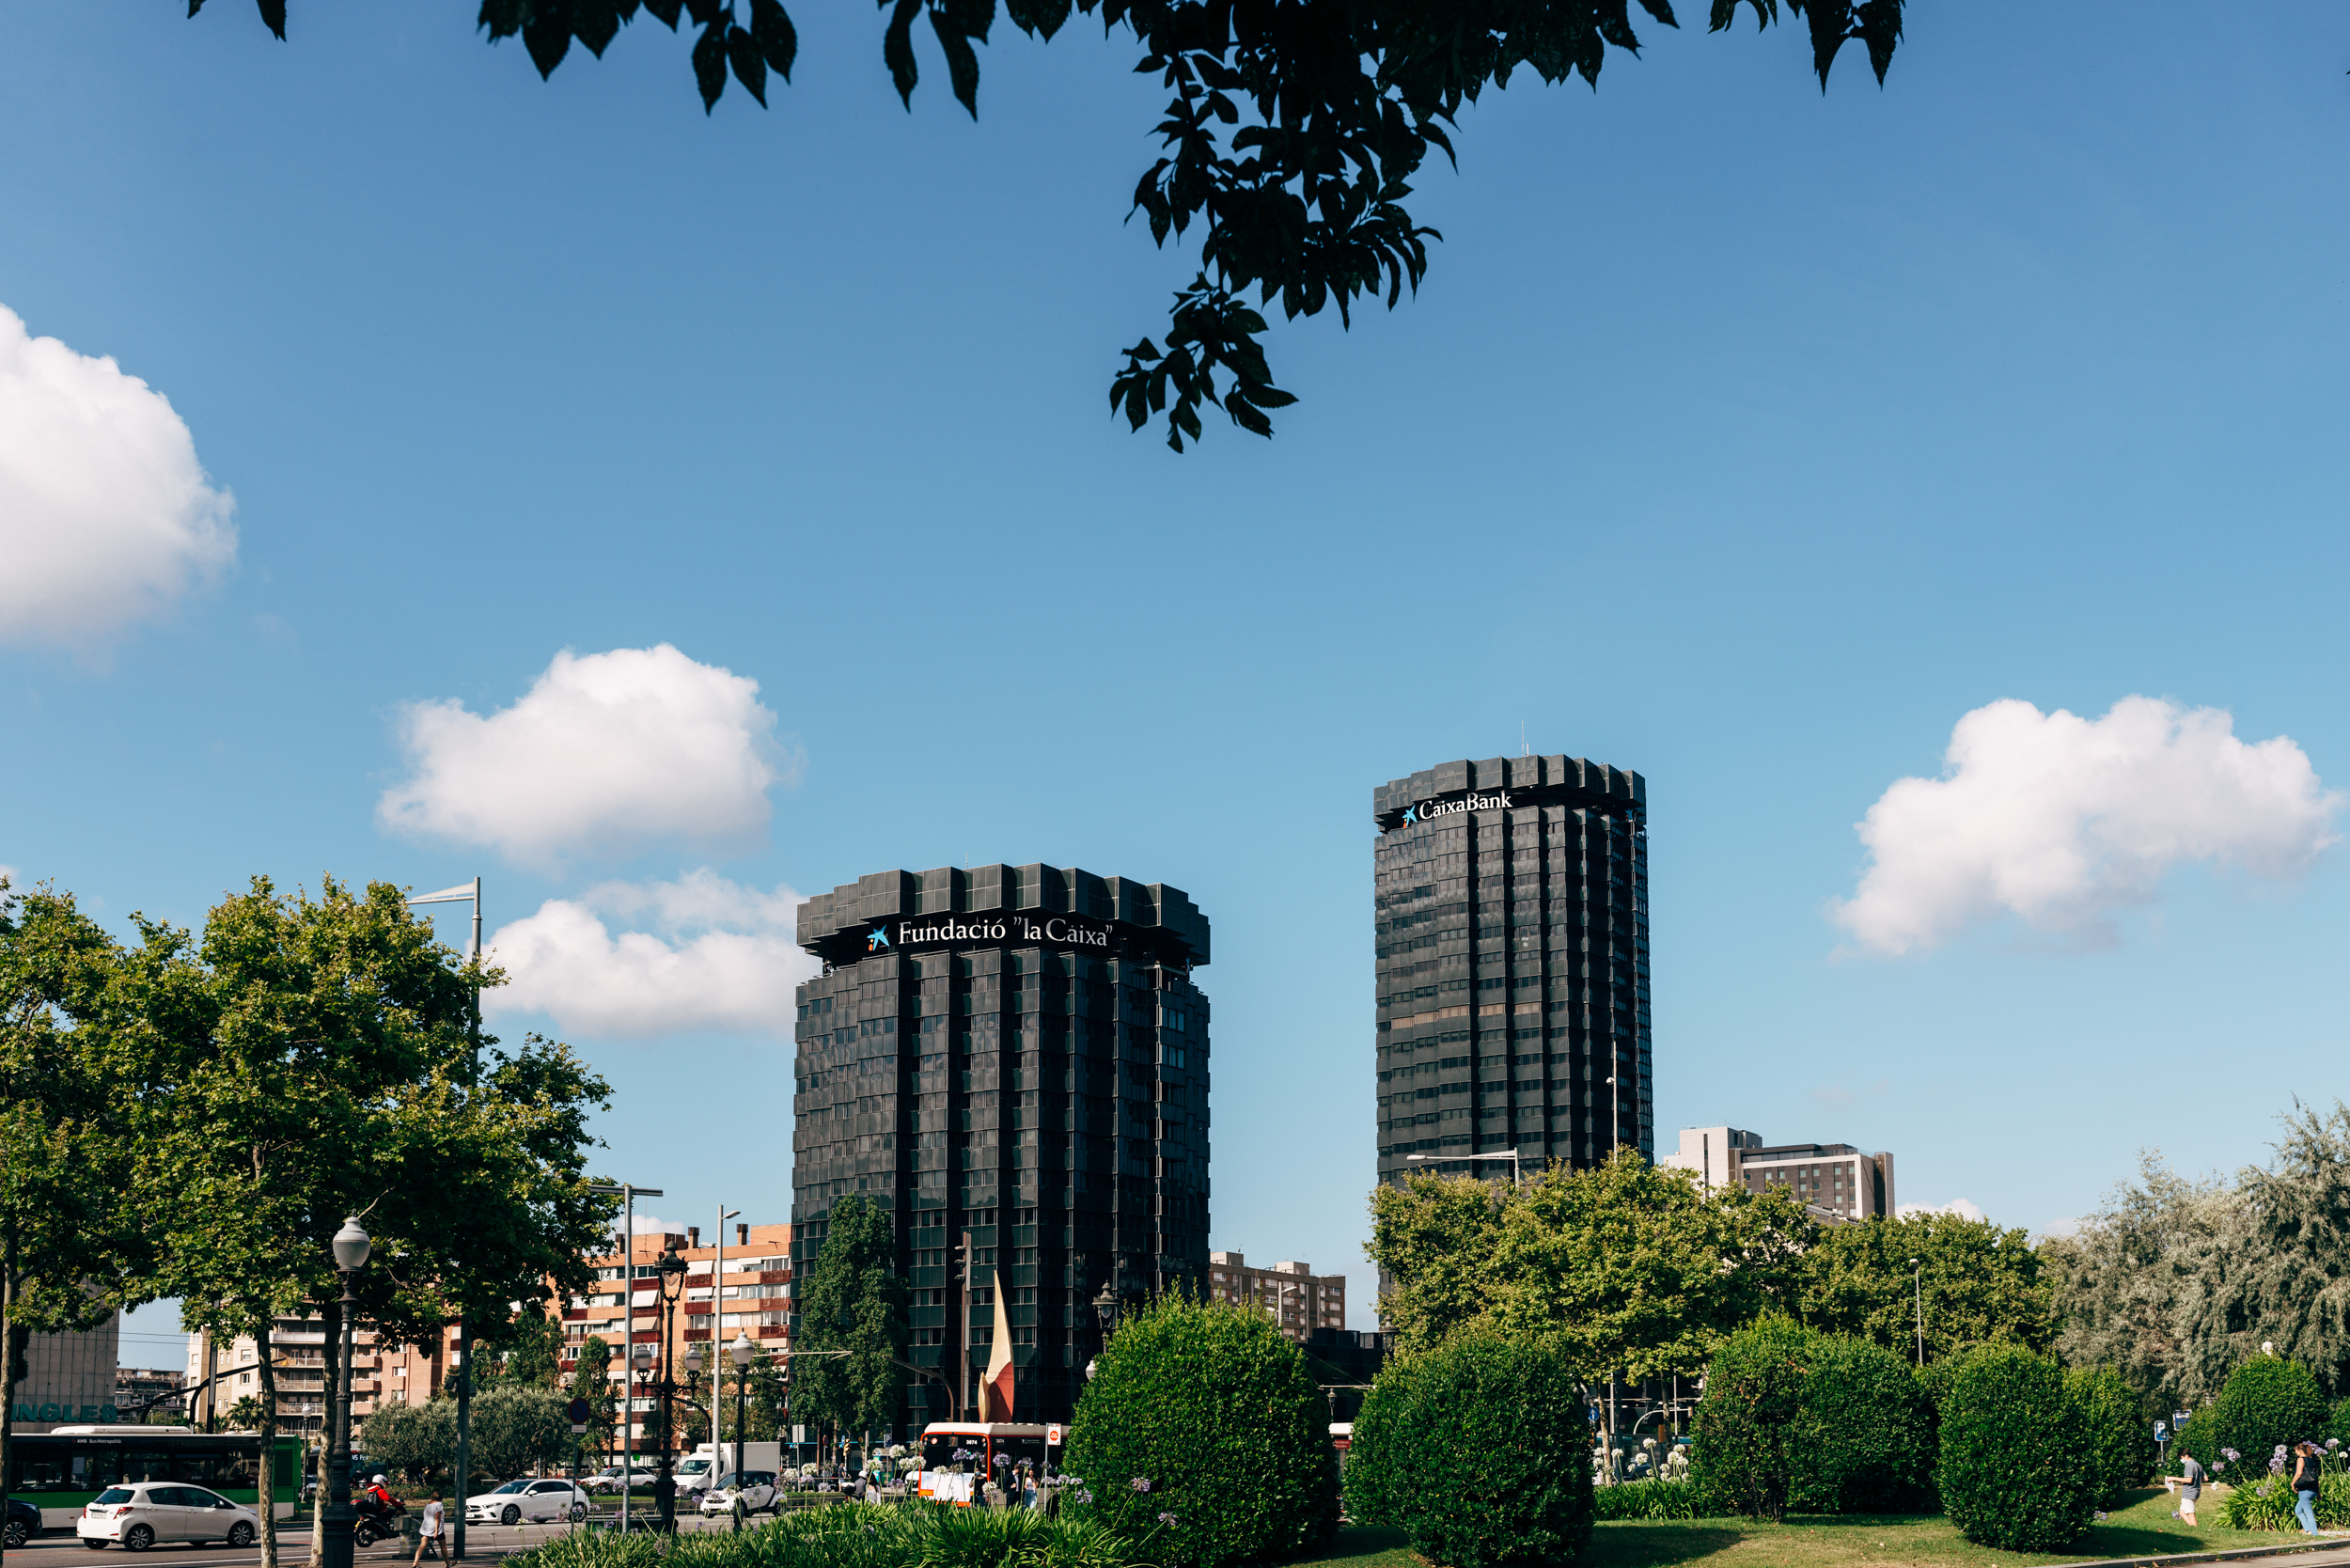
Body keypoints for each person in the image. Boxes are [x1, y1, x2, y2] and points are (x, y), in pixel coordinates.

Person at [2292, 1442, 2324, 1535]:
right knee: (2298, 1510)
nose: (2296, 1453)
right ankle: (2308, 1531)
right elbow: (2316, 1478)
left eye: (2296, 1451)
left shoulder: (2301, 1459)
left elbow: (2298, 1473)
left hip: (2305, 1490)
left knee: (2309, 1512)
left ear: (2301, 1451)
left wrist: (2292, 1483)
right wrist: (2318, 1493)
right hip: (2313, 1490)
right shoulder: (2313, 1461)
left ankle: (2314, 1534)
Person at [412, 1493, 445, 1565]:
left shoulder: (428, 1504)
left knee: (422, 1545)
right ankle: (448, 1563)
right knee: (443, 1547)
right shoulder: (439, 1504)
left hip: (426, 1528)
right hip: (436, 1529)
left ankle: (415, 1562)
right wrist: (436, 1531)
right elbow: (437, 1518)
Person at [2174, 1450, 2205, 1526]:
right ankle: (2192, 1528)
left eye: (2181, 1458)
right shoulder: (2198, 1465)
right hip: (2196, 1491)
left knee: (2191, 1515)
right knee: (2182, 1513)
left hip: (2189, 1492)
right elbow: (2205, 1478)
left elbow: (2189, 1479)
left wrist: (2173, 1478)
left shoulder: (2189, 1465)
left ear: (2186, 1456)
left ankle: (2196, 1530)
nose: (2181, 1460)